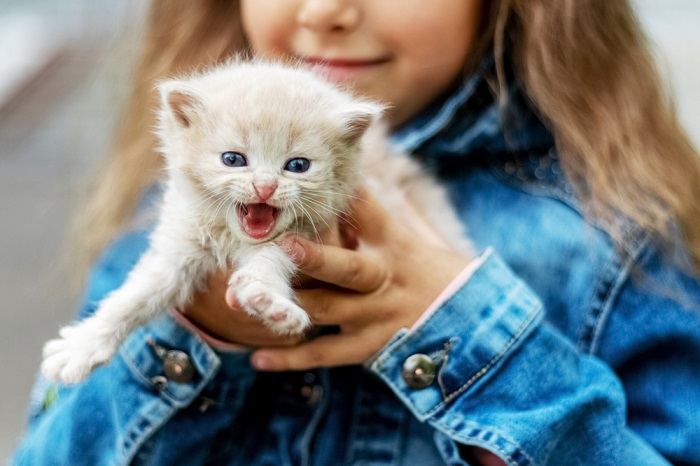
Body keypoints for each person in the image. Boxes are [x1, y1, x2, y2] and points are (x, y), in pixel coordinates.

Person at [13, 1, 700, 465]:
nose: (324, 12)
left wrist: (467, 330)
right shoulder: (179, 202)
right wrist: (188, 330)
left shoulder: (611, 235)